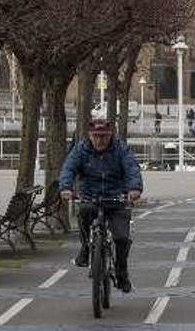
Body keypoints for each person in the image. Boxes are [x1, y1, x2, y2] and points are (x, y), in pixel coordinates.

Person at [59, 119, 143, 292]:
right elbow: (68, 168)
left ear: (110, 135)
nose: (100, 140)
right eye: (96, 136)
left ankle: (121, 273)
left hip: (115, 197)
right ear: (90, 136)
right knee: (83, 213)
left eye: (104, 136)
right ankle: (86, 248)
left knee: (121, 238)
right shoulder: (81, 150)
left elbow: (132, 168)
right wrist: (66, 187)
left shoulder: (120, 149)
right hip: (90, 196)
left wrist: (134, 189)